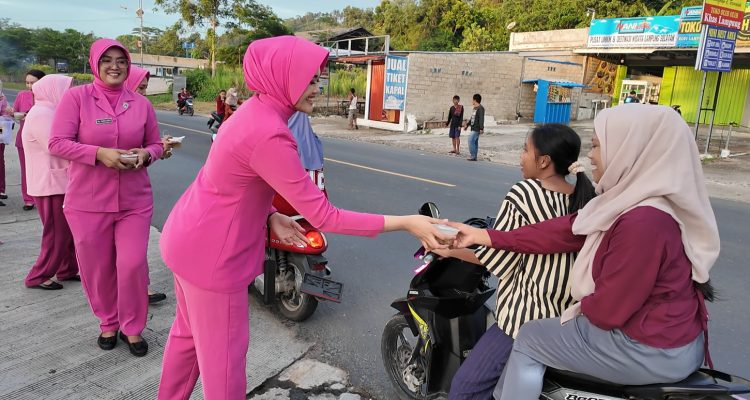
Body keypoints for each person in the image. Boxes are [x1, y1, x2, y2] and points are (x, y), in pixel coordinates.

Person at [156, 35, 453, 399]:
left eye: (318, 79)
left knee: (186, 339)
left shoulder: (251, 112)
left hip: (187, 240)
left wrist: (269, 215)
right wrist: (407, 222)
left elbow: (231, 181)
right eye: (309, 79)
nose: (317, 88)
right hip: (214, 260)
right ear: (283, 77)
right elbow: (324, 216)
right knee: (225, 369)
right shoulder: (270, 133)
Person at [447, 104, 719, 400]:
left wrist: (575, 306)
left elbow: (607, 311)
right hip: (675, 339)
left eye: (598, 146)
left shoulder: (642, 221)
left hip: (651, 348)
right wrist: (485, 235)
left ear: (629, 150)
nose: (590, 156)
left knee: (530, 337)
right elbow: (565, 230)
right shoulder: (630, 201)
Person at [444, 124, 595, 399]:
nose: (520, 156)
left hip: (524, 320)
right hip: (569, 322)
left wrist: (447, 251)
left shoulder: (524, 194)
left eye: (525, 150)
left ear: (544, 161)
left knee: (464, 389)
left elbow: (498, 261)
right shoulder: (586, 198)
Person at [49, 38, 164, 357]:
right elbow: (57, 142)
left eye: (122, 60)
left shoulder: (141, 104)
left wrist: (146, 154)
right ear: (95, 64)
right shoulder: (76, 98)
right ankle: (108, 321)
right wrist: (99, 154)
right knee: (97, 268)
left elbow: (156, 144)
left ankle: (132, 326)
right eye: (107, 60)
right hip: (87, 202)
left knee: (132, 264)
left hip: (134, 201)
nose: (115, 66)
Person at [21, 74, 80, 290]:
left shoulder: (50, 110)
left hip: (57, 180)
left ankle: (67, 269)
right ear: (53, 89)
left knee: (67, 231)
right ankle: (38, 275)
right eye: (67, 88)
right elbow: (56, 146)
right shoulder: (41, 114)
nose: (70, 92)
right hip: (49, 183)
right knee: (56, 232)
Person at [123, 65, 169, 305]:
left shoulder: (142, 109)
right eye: (139, 88)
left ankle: (141, 288)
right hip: (102, 193)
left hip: (135, 190)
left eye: (145, 88)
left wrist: (157, 149)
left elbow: (150, 146)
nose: (143, 93)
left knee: (135, 249)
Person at [12, 69, 46, 211]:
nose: (29, 86)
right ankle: (28, 199)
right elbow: (14, 113)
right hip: (24, 140)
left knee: (43, 171)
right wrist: (14, 114)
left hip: (43, 140)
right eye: (27, 83)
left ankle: (42, 197)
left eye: (33, 83)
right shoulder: (22, 95)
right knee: (26, 170)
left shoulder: (48, 96)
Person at [0, 79, 15, 205]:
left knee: (0, 161)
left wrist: (8, 115)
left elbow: (5, 114)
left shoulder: (2, 97)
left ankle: (1, 189)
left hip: (0, 131)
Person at [465, 93, 484, 161]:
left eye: (472, 100)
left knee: (470, 140)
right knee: (475, 142)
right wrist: (467, 125)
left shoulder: (480, 108)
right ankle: (474, 156)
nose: (472, 101)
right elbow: (472, 118)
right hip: (473, 128)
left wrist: (481, 128)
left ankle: (473, 156)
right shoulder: (475, 108)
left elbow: (481, 118)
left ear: (475, 100)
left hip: (477, 128)